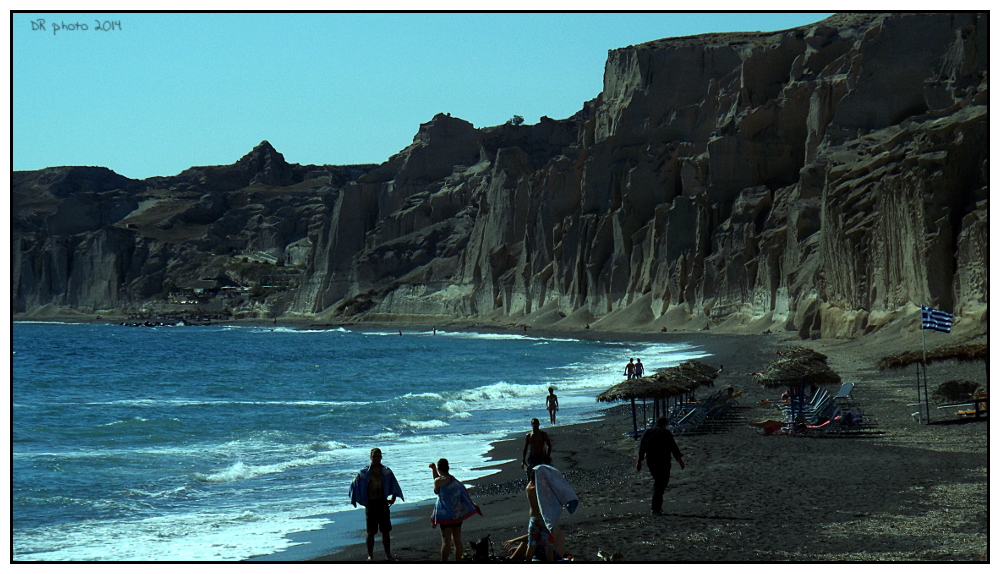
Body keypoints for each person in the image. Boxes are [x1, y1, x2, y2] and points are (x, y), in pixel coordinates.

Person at [348, 448, 404, 561]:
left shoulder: (386, 471)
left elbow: (394, 485)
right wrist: (363, 503)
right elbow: (354, 488)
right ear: (370, 457)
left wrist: (393, 498)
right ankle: (370, 556)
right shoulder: (364, 473)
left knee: (386, 530)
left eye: (378, 456)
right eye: (374, 456)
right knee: (370, 531)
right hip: (371, 503)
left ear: (381, 457)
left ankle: (388, 555)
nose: (376, 458)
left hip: (382, 502)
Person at [429, 458, 481, 561]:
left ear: (439, 469)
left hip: (445, 515)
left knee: (446, 540)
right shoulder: (455, 482)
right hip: (456, 514)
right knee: (457, 539)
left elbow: (436, 489)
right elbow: (439, 480)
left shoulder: (438, 481)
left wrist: (433, 470)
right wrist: (434, 469)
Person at [636, 416, 685, 515]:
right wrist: (680, 461)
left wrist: (639, 461)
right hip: (664, 461)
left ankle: (656, 507)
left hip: (651, 461)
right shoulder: (666, 433)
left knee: (658, 481)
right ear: (665, 424)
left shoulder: (648, 432)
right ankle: (656, 508)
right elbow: (673, 447)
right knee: (661, 482)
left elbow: (642, 447)